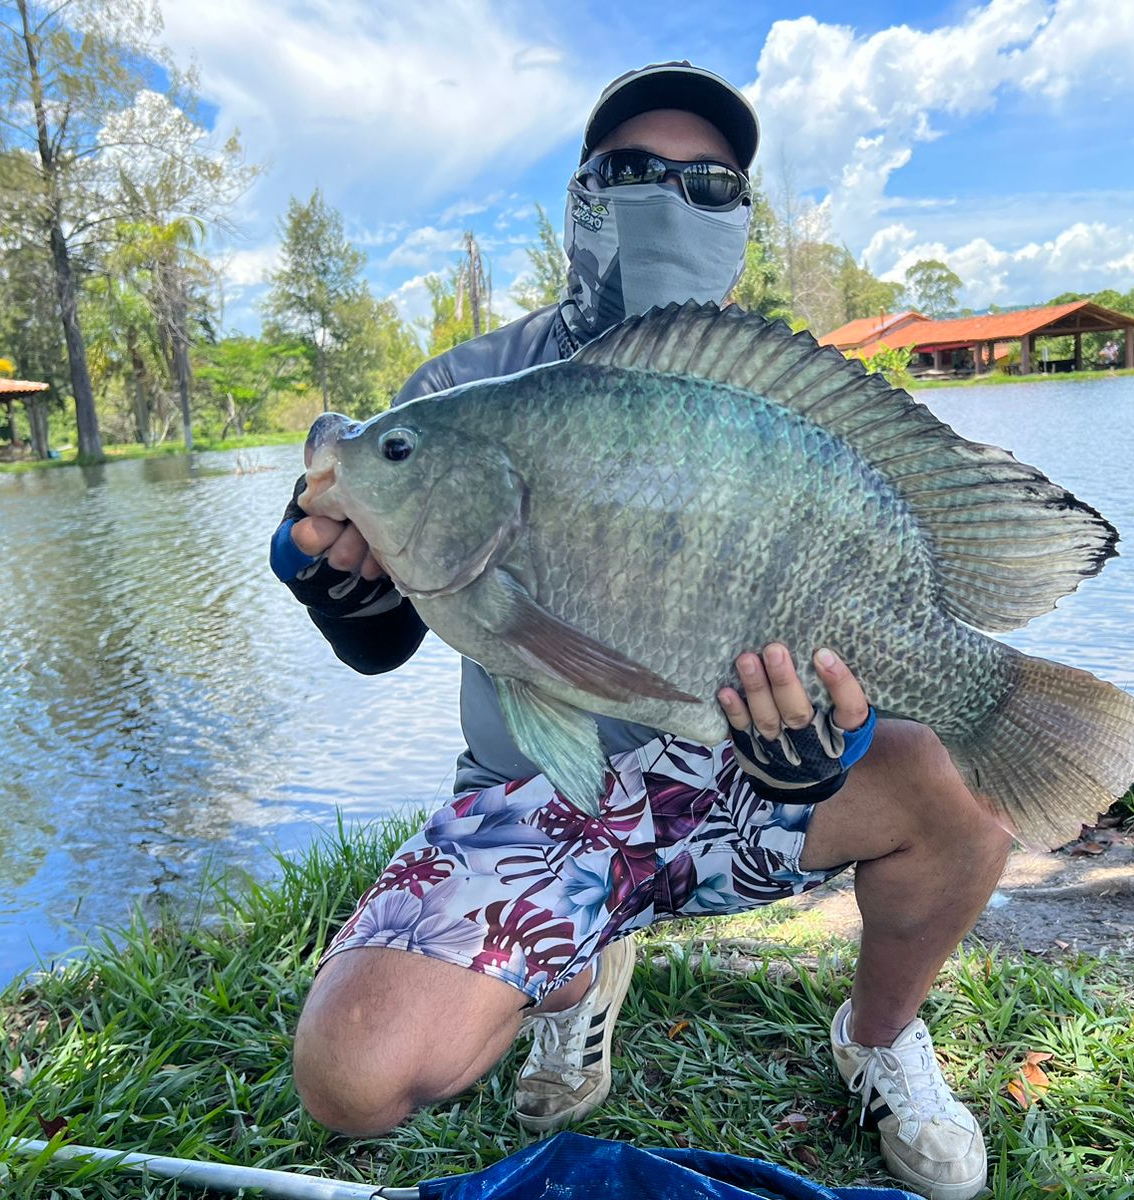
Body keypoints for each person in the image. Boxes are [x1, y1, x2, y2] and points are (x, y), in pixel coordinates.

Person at [273, 63, 1012, 1200]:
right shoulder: (465, 391)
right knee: (353, 1078)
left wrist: (828, 752)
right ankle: (572, 982)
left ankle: (877, 1041)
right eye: (631, 171)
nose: (671, 196)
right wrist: (338, 582)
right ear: (581, 196)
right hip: (536, 796)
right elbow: (382, 641)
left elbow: (857, 633)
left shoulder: (775, 395)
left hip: (733, 780)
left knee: (962, 803)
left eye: (710, 180)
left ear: (743, 214)